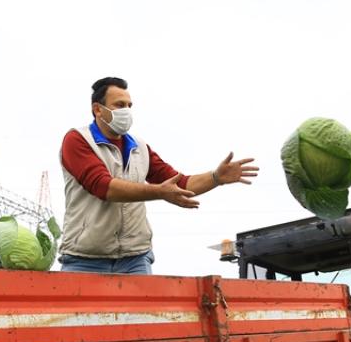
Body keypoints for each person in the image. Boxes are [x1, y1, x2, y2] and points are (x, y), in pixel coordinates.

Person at [58, 76, 258, 274]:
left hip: (134, 259)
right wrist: (160, 192)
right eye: (119, 105)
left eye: (129, 105)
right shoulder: (78, 140)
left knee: (144, 308)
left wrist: (216, 177)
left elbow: (180, 183)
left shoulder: (140, 147)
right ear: (98, 109)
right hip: (85, 259)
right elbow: (104, 186)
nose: (126, 111)